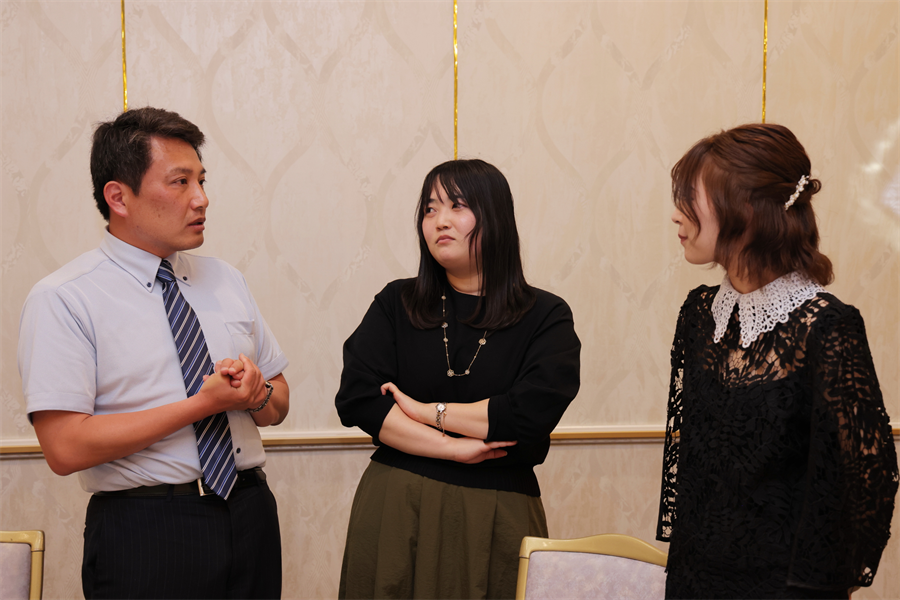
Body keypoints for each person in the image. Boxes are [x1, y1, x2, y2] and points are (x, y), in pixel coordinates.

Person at [18, 107, 290, 600]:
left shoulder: (226, 280)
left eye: (202, 180)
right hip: (145, 530)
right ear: (118, 197)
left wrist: (257, 393)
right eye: (180, 182)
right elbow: (65, 448)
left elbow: (278, 401)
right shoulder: (65, 297)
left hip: (250, 512)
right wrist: (201, 405)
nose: (201, 198)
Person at [657, 123, 898, 600]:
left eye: (690, 199)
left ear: (745, 210)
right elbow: (692, 469)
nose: (676, 214)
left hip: (786, 588)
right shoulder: (699, 315)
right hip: (694, 579)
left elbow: (866, 476)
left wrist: (825, 583)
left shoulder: (826, 325)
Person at [335, 159, 581, 600]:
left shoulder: (546, 315)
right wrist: (452, 447)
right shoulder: (397, 302)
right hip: (396, 505)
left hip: (497, 509)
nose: (440, 220)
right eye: (430, 208)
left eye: (457, 205)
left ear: (496, 217)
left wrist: (426, 411)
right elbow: (358, 398)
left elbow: (526, 415)